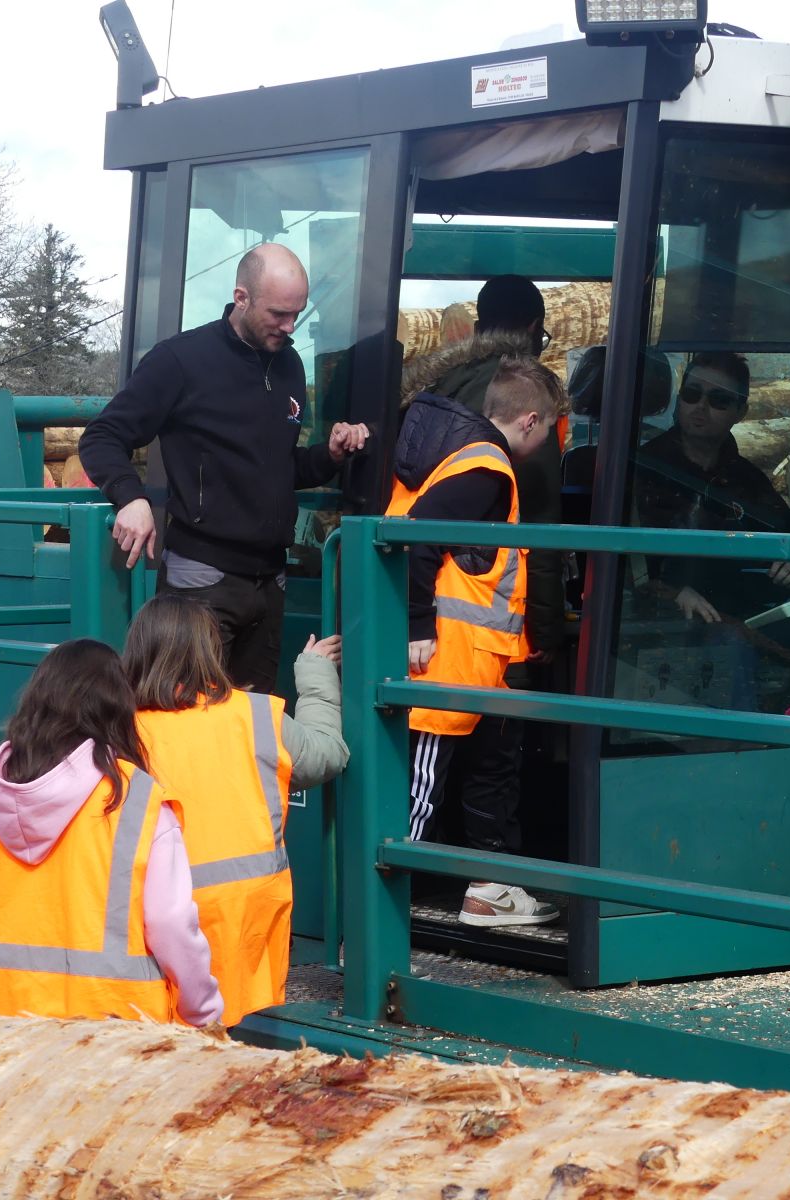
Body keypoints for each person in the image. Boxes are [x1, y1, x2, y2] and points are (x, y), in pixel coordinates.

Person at [78, 242, 371, 693]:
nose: (290, 327)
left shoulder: (289, 364)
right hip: (200, 583)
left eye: (297, 314)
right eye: (278, 314)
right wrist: (130, 497)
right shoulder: (180, 360)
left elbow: (278, 467)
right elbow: (100, 438)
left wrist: (328, 455)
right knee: (185, 722)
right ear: (241, 297)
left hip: (270, 582)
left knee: (251, 730)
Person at [0, 639, 223, 1026]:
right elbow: (171, 923)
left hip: (8, 1024)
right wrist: (203, 1011)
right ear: (117, 708)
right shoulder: (136, 800)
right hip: (118, 1037)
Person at [389, 356, 569, 928]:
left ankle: (489, 889)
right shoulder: (488, 468)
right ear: (533, 422)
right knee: (413, 797)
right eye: (554, 432)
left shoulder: (462, 455)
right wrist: (417, 627)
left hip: (471, 663)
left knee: (466, 776)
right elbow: (416, 541)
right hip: (445, 662)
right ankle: (375, 914)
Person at [124, 594, 349, 1026]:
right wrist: (315, 670)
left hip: (159, 923)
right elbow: (327, 753)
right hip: (248, 920)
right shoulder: (257, 715)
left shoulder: (118, 728)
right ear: (211, 652)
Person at [632, 351, 790, 711]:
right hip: (667, 616)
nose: (701, 407)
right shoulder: (643, 468)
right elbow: (628, 557)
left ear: (741, 413)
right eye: (692, 394)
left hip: (748, 614)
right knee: (731, 641)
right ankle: (737, 756)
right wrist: (670, 588)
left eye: (718, 400)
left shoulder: (744, 479)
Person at [401, 275, 564, 669]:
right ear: (531, 329)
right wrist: (546, 628)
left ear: (478, 330)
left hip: (417, 613)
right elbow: (539, 533)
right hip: (473, 632)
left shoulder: (435, 394)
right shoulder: (519, 409)